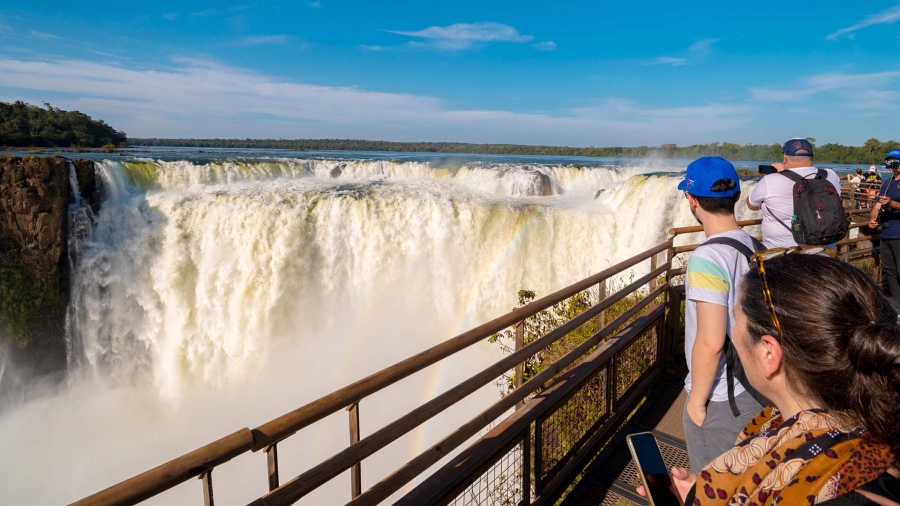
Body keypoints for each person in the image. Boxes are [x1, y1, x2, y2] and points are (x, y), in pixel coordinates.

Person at [643, 253, 900, 505]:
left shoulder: (842, 497)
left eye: (737, 320)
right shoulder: (871, 423)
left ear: (769, 353)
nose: (733, 333)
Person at [676, 156, 764, 473]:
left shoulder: (708, 257)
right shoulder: (756, 247)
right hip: (754, 386)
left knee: (711, 485)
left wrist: (697, 403)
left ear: (692, 200)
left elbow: (711, 342)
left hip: (722, 397)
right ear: (737, 195)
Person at [747, 138, 842, 247]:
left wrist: (781, 174)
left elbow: (752, 205)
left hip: (783, 252)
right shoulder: (831, 175)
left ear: (785, 157)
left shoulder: (770, 181)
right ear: (813, 156)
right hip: (825, 250)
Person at [869, 148, 900, 307]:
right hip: (886, 233)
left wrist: (892, 203)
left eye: (894, 161)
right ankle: (896, 304)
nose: (891, 164)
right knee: (889, 272)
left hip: (899, 234)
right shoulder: (887, 183)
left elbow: (890, 203)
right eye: (889, 161)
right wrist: (873, 219)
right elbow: (877, 205)